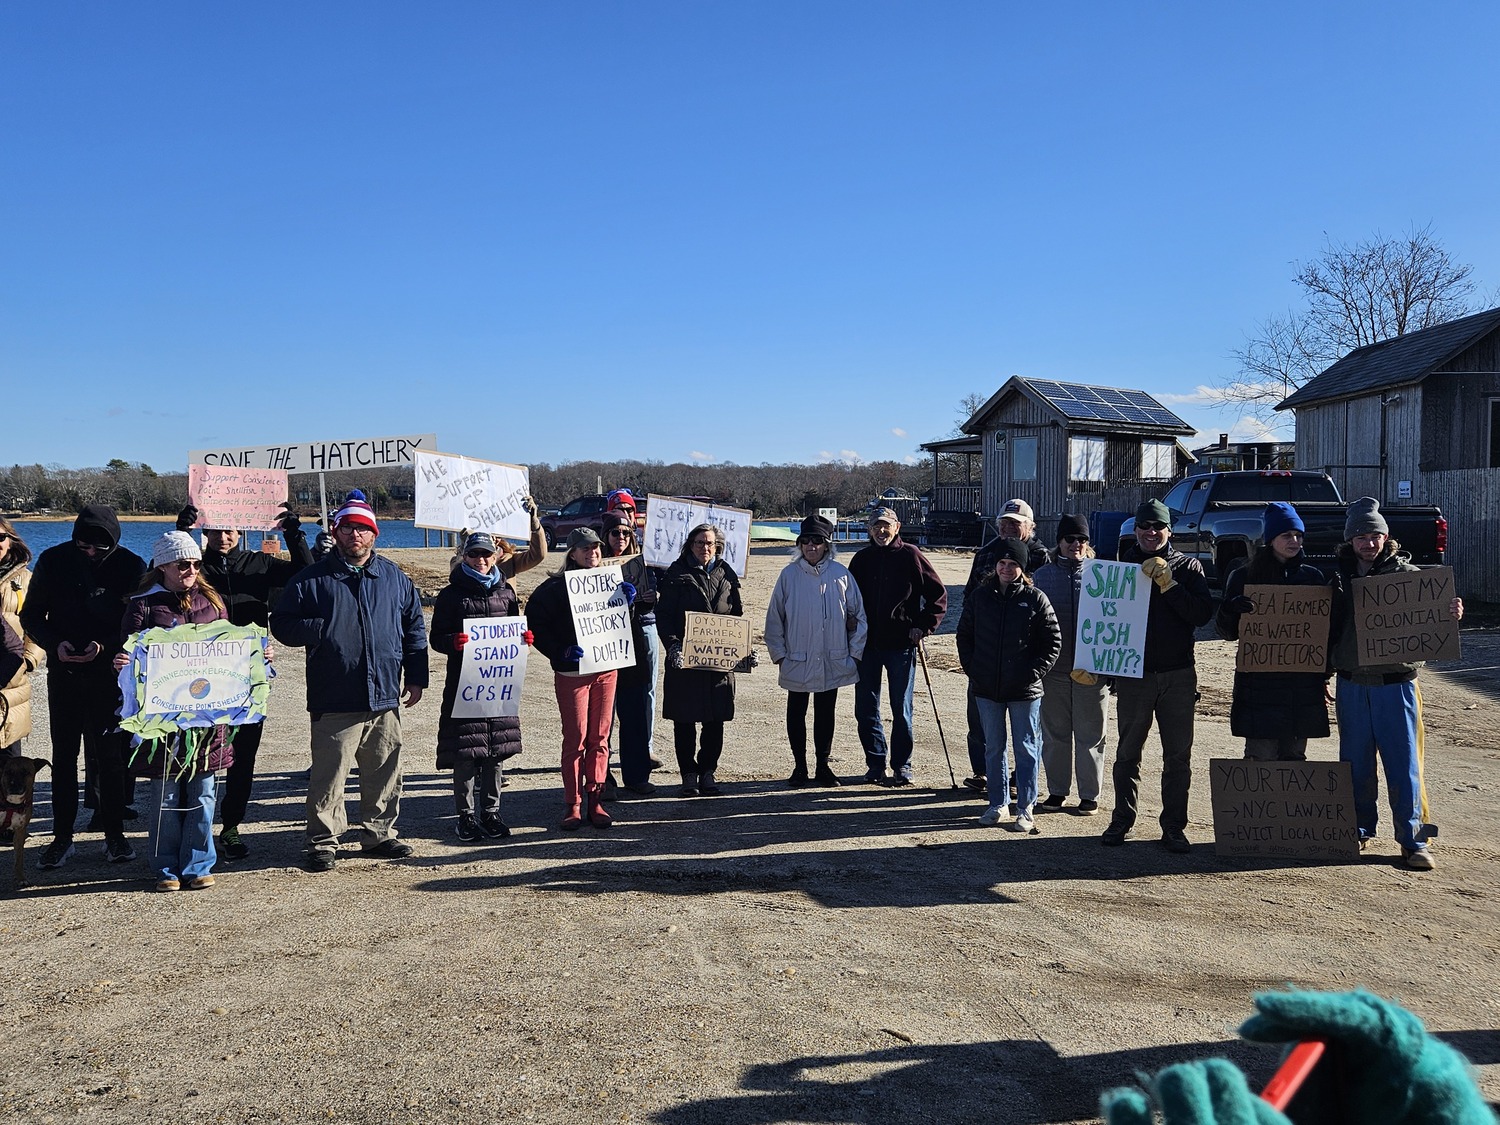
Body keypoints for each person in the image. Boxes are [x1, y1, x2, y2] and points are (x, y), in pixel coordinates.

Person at [270, 490, 428, 872]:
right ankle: (323, 841)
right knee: (330, 773)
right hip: (334, 694)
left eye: (362, 529)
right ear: (336, 533)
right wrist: (321, 628)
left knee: (384, 768)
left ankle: (379, 834)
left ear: (374, 534)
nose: (355, 535)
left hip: (384, 694)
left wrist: (417, 675)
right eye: (347, 528)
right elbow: (281, 622)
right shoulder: (312, 579)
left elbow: (414, 628)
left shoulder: (393, 577)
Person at [172, 502, 313, 861]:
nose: (224, 536)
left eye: (230, 529)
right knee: (197, 753)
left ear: (242, 531)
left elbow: (306, 573)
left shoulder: (259, 564)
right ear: (205, 531)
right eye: (216, 530)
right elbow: (160, 579)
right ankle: (191, 829)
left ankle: (231, 825)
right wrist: (181, 532)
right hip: (198, 676)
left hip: (248, 674)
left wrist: (294, 535)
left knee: (242, 755)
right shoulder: (193, 566)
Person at [1328, 498, 1463, 872]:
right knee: (1354, 765)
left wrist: (1451, 612)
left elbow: (1435, 618)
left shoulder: (1411, 577)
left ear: (1386, 537)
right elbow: (1326, 630)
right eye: (1360, 536)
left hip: (1397, 685)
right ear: (1349, 540)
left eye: (1374, 535)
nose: (1368, 543)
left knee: (1404, 766)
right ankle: (1356, 830)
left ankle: (1415, 840)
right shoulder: (1337, 577)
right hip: (1352, 684)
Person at [22, 504, 146, 869]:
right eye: (83, 545)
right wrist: (53, 644)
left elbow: (136, 623)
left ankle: (114, 835)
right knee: (64, 757)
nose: (90, 552)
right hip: (65, 672)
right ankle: (62, 838)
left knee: (109, 757)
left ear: (113, 542)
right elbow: (31, 615)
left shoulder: (131, 565)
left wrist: (105, 647)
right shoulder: (53, 560)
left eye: (99, 547)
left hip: (108, 674)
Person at [113, 532, 237, 892]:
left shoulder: (213, 600)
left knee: (203, 790)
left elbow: (230, 648)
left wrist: (257, 657)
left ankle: (199, 863)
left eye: (196, 564)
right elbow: (127, 655)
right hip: (161, 717)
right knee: (165, 792)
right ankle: (165, 866)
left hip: (206, 717)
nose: (191, 570)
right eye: (184, 564)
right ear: (163, 565)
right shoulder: (142, 604)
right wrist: (121, 663)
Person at [1101, 498, 1214, 853]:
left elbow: (1200, 615)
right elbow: (1106, 622)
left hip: (1178, 674)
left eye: (1158, 527)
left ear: (1170, 530)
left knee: (1178, 756)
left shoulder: (1189, 567)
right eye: (1145, 527)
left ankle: (1174, 827)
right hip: (1135, 676)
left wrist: (1171, 586)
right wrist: (1099, 665)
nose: (1152, 533)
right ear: (1135, 530)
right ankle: (1122, 819)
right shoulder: (1120, 569)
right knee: (1127, 753)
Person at [526, 527, 629, 828]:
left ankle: (596, 800)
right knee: (576, 739)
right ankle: (573, 804)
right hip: (572, 673)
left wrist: (631, 602)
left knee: (600, 738)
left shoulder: (612, 582)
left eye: (596, 547)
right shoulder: (553, 589)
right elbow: (534, 627)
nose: (592, 552)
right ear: (571, 552)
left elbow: (623, 624)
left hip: (607, 669)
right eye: (585, 548)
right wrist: (559, 651)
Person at [430, 532, 530, 842]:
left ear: (497, 554)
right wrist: (453, 643)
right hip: (466, 686)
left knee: (495, 752)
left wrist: (524, 640)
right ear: (464, 556)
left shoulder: (507, 593)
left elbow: (515, 631)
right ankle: (466, 816)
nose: (481, 559)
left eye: (486, 553)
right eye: (474, 554)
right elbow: (436, 638)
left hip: (498, 685)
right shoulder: (450, 595)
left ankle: (491, 812)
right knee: (466, 754)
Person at [957, 539, 1062, 833]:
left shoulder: (1035, 598)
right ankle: (998, 804)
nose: (1006, 569)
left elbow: (1052, 643)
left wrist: (1032, 673)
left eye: (1013, 564)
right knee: (993, 748)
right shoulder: (980, 597)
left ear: (1022, 567)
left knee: (1027, 748)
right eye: (1003, 563)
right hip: (987, 688)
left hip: (1024, 690)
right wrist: (974, 669)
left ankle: (1026, 808)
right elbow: (964, 636)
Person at [1214, 503, 1331, 763]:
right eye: (1286, 535)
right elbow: (1227, 632)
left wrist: (1325, 670)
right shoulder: (1245, 575)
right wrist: (1231, 608)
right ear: (1271, 539)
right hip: (1260, 688)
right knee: (1260, 759)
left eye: (1298, 535)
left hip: (1301, 688)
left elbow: (1323, 633)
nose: (1294, 541)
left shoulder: (1313, 578)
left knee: (1294, 759)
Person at [763, 515, 867, 787]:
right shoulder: (788, 575)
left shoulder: (841, 575)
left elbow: (859, 618)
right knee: (796, 711)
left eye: (817, 541)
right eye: (806, 540)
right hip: (797, 656)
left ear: (827, 545)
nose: (811, 546)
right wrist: (780, 655)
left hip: (832, 657)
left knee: (825, 712)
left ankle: (823, 765)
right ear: (799, 544)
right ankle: (800, 767)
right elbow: (774, 619)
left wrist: (853, 654)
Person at [847, 507, 947, 786]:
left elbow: (938, 596)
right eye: (876, 526)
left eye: (886, 526)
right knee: (865, 708)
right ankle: (875, 763)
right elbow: (848, 600)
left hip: (901, 645)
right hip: (866, 645)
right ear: (869, 529)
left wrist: (923, 626)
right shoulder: (861, 559)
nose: (881, 531)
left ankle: (902, 765)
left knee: (901, 708)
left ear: (897, 527)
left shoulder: (911, 555)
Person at [961, 499, 1049, 792]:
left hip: (1023, 660)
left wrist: (1036, 665)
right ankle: (984, 774)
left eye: (1016, 523)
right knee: (980, 721)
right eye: (1004, 523)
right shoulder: (984, 555)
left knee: (1026, 730)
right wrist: (971, 661)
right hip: (986, 658)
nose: (1009, 528)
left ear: (1030, 527)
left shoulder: (1042, 558)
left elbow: (1048, 618)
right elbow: (969, 605)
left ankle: (1018, 782)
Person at [656, 523, 744, 798]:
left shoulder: (727, 573)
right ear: (689, 544)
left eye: (710, 543)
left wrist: (741, 648)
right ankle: (688, 774)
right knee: (684, 720)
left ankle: (708, 771)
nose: (705, 548)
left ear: (717, 546)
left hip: (717, 661)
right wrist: (672, 647)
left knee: (715, 719)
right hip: (685, 660)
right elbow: (665, 616)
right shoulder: (675, 573)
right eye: (699, 543)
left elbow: (737, 614)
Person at [1033, 513, 1108, 814]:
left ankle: (1090, 794)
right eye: (1070, 539)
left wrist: (1109, 668)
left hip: (1092, 669)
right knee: (1055, 733)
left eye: (1082, 539)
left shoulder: (1104, 575)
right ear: (1059, 542)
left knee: (1091, 734)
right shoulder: (1042, 576)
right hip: (1054, 670)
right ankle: (1057, 791)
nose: (1076, 544)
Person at [602, 510, 660, 795]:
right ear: (606, 535)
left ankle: (636, 776)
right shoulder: (594, 563)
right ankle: (603, 778)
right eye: (616, 533)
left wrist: (650, 599)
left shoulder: (643, 565)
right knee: (602, 717)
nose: (621, 538)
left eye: (627, 533)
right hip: (602, 644)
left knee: (634, 710)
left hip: (633, 642)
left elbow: (651, 603)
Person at [0, 518, 46, 758]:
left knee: (10, 764)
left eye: (0, 537)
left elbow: (40, 622)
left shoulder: (26, 580)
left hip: (11, 680)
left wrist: (28, 661)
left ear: (10, 541)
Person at [445, 495, 548, 578]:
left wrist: (534, 524)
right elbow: (456, 573)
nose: (481, 558)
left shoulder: (507, 559)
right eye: (474, 554)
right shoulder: (459, 560)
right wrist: (469, 543)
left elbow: (538, 555)